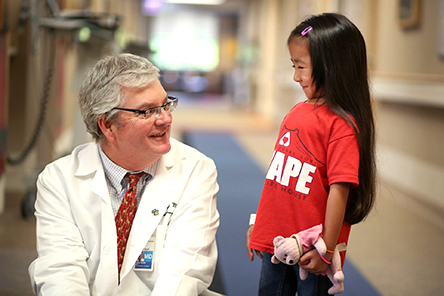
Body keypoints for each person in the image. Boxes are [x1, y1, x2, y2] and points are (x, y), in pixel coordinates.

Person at [28, 53, 221, 296]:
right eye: (147, 111)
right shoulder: (58, 179)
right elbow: (61, 270)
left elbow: (184, 269)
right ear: (108, 125)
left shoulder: (195, 169)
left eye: (165, 105)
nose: (166, 119)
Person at [246, 13, 376, 295]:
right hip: (277, 242)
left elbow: (339, 191)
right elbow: (278, 178)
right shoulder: (296, 112)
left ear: (331, 67)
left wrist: (326, 248)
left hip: (311, 248)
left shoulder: (341, 125)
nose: (295, 76)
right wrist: (260, 224)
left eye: (301, 67)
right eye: (293, 66)